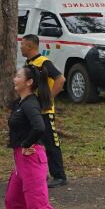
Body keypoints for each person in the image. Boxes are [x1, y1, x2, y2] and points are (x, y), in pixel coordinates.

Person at [0, 64, 79, 209]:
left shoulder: (30, 104)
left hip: (31, 160)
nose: (14, 78)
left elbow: (40, 127)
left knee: (38, 208)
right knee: (13, 202)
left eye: (18, 76)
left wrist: (27, 144)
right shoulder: (19, 102)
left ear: (29, 82)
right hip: (20, 161)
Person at [20, 34, 67, 186]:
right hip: (32, 111)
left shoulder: (44, 62)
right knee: (34, 143)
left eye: (22, 45)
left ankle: (59, 176)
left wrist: (49, 98)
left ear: (30, 46)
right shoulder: (29, 63)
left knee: (51, 143)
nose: (20, 47)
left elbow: (60, 79)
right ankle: (38, 173)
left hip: (45, 111)